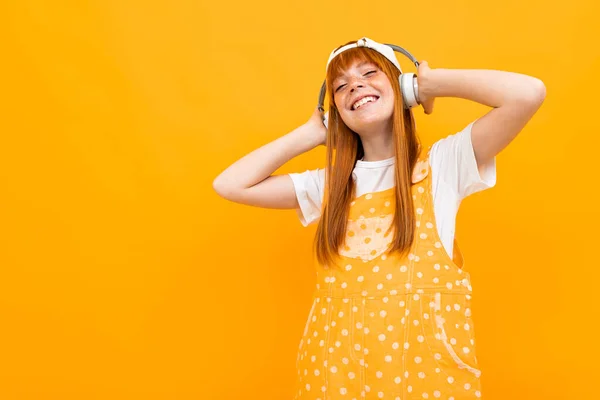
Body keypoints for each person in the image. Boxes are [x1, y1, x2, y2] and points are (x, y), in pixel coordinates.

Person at [213, 37, 545, 399]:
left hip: (426, 381)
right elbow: (229, 185)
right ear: (335, 110)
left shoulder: (444, 166)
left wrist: (427, 86)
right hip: (334, 379)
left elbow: (528, 93)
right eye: (340, 86)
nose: (355, 85)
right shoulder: (329, 186)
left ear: (400, 88)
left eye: (370, 73)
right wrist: (309, 134)